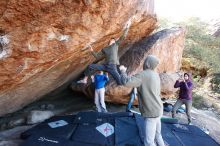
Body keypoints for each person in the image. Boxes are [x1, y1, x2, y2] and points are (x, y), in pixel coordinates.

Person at [120, 55, 165, 146]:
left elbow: (126, 82)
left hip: (151, 112)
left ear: (147, 63)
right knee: (158, 135)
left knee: (149, 142)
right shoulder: (155, 74)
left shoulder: (143, 75)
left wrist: (123, 71)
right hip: (159, 109)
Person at [77, 19, 132, 85]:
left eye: (113, 40)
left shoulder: (115, 45)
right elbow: (97, 56)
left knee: (119, 81)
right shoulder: (105, 49)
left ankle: (126, 80)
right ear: (110, 41)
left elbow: (123, 37)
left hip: (112, 67)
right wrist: (91, 50)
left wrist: (127, 27)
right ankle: (84, 80)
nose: (112, 40)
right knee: (90, 66)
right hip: (105, 66)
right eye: (112, 40)